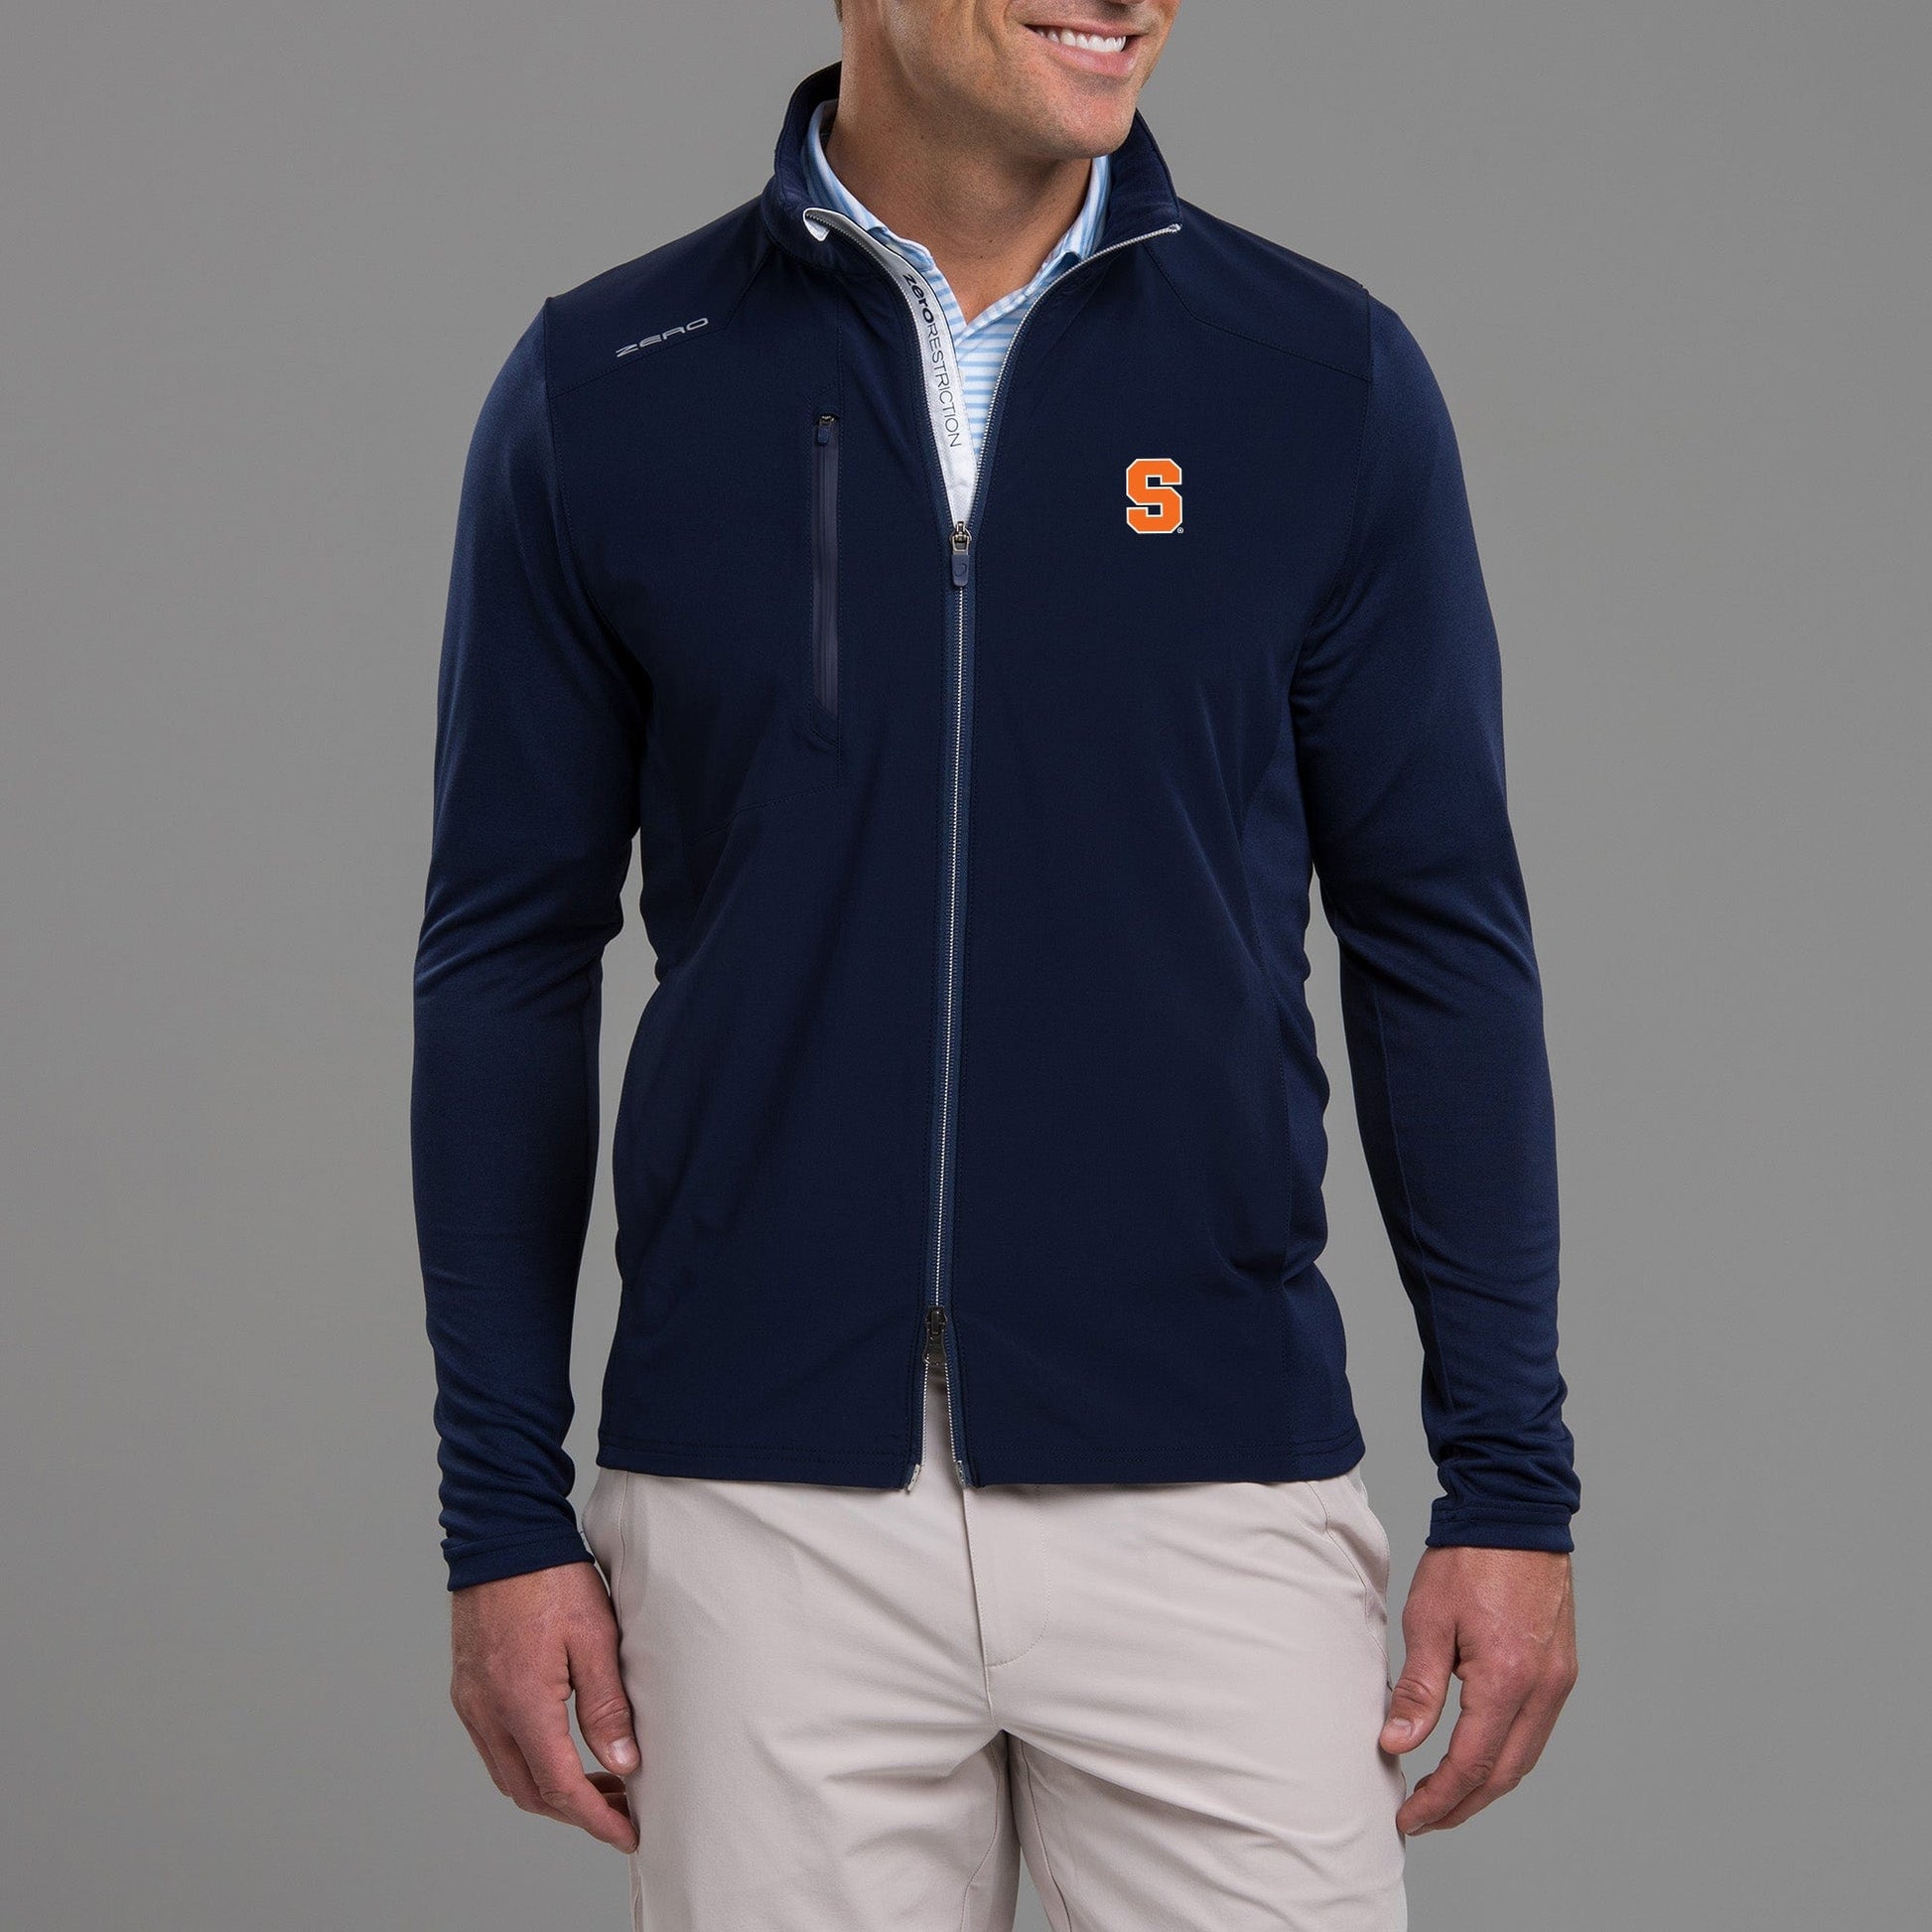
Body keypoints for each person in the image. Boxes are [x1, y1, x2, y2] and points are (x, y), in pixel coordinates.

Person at [412, 4, 1580, 1926]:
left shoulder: (1317, 377)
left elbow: (1439, 935)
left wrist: (1510, 1479)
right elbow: (504, 960)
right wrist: (500, 1515)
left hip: (1208, 1478)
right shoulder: (611, 378)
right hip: (759, 1508)